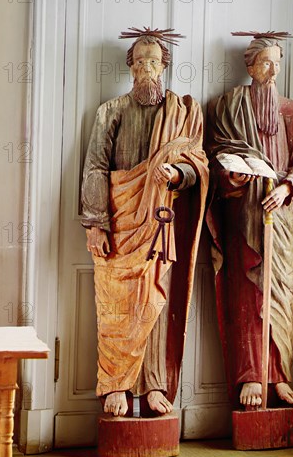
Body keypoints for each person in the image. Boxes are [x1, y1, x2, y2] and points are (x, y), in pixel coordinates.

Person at [81, 28, 208, 417]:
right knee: (117, 305)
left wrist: (176, 176)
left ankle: (153, 383)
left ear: (164, 66)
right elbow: (96, 168)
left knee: (154, 300)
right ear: (130, 67)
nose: (146, 69)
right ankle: (117, 383)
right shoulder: (111, 110)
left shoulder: (183, 112)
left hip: (159, 220)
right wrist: (96, 223)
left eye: (153, 61)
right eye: (139, 62)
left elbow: (199, 163)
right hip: (120, 219)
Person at [206, 32, 293, 409]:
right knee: (247, 295)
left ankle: (278, 374)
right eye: (266, 62)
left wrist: (287, 188)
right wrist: (231, 179)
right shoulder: (226, 106)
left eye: (278, 63)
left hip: (280, 214)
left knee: (280, 294)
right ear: (250, 66)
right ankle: (251, 375)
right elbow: (215, 155)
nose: (273, 70)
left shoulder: (289, 110)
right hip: (242, 213)